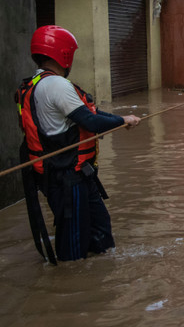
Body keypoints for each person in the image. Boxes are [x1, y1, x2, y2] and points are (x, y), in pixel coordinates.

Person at [16, 25, 141, 263]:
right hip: (67, 177)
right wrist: (123, 120)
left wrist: (120, 120)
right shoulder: (57, 85)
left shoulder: (36, 82)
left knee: (100, 229)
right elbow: (90, 122)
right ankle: (69, 288)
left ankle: (101, 277)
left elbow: (89, 113)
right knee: (73, 245)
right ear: (64, 55)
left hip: (77, 174)